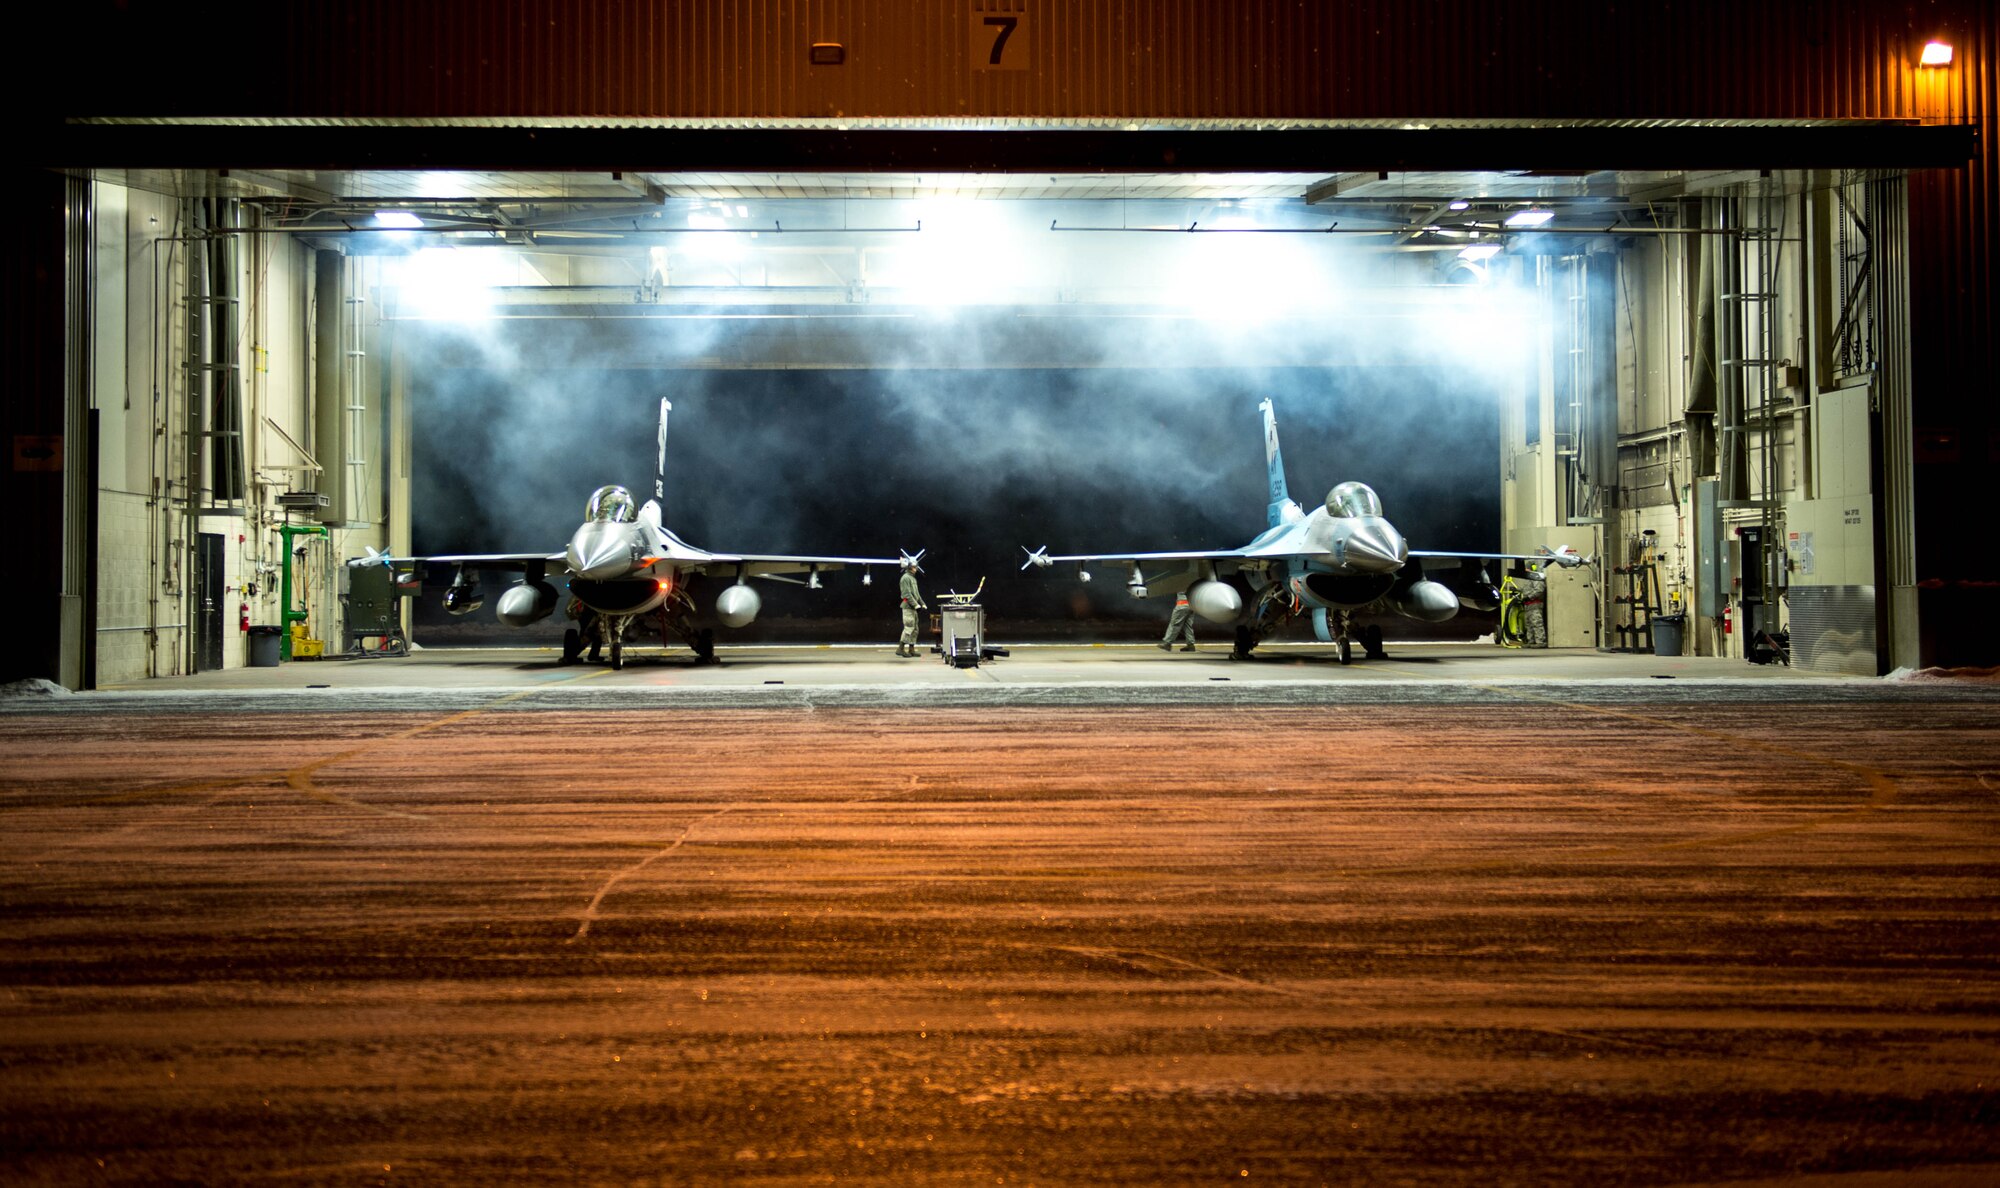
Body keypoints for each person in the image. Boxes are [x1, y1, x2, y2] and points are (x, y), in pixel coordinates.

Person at [896, 557, 927, 657]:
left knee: (915, 629)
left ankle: (911, 649)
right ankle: (900, 649)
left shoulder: (912, 578)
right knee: (909, 627)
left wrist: (922, 603)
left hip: (913, 608)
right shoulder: (905, 578)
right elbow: (906, 594)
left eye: (916, 566)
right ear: (909, 567)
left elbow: (916, 594)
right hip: (908, 607)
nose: (916, 568)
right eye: (914, 567)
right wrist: (916, 604)